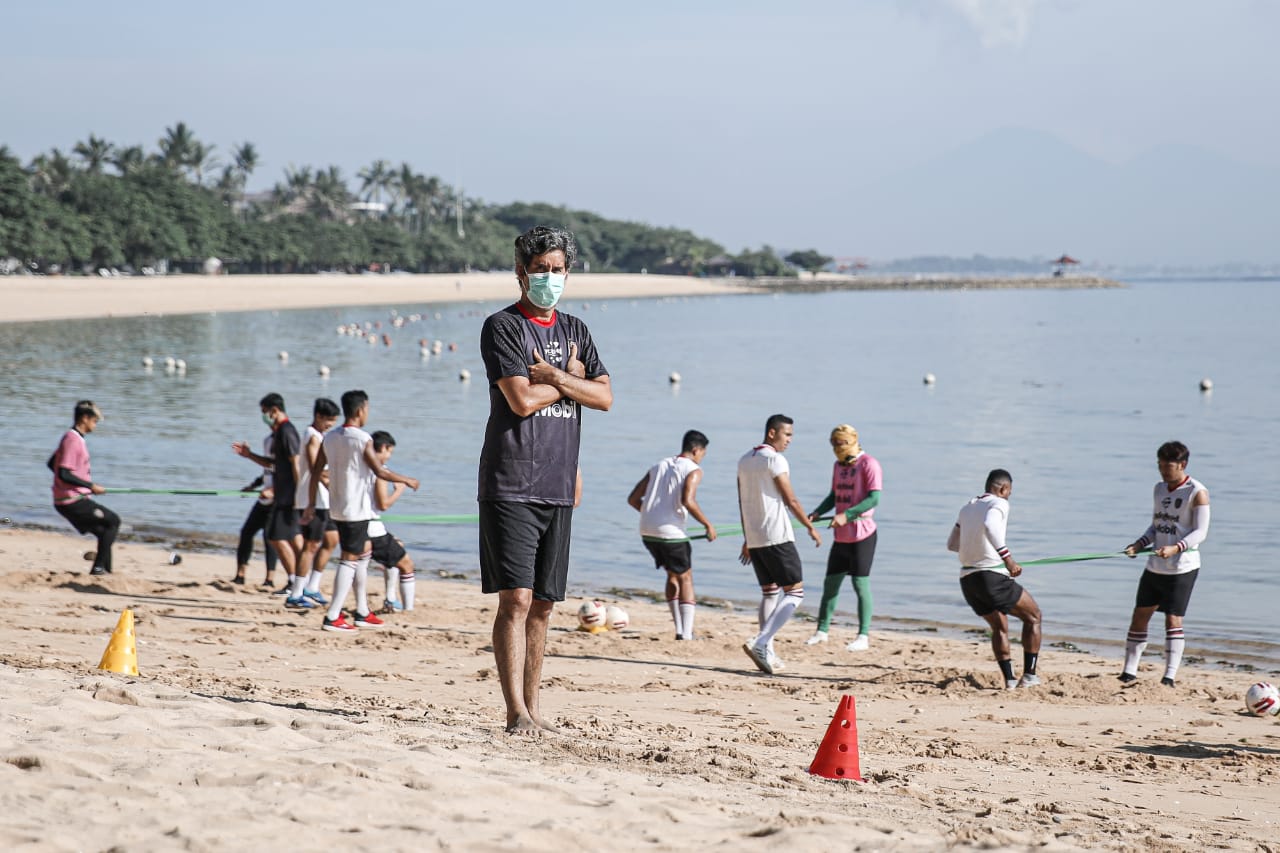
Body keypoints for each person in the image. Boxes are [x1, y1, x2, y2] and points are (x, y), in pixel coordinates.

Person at [477, 225, 612, 735]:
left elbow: (606, 398)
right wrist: (570, 382)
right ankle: (515, 714)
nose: (549, 278)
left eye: (557, 271)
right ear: (520, 271)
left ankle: (535, 710)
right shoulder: (503, 327)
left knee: (545, 603)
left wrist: (554, 377)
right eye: (540, 270)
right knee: (515, 597)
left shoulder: (576, 330)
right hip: (510, 478)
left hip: (559, 481)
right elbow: (520, 400)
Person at [303, 389, 418, 632]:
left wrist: (311, 503)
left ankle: (363, 611)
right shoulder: (362, 438)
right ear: (360, 410)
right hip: (356, 510)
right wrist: (407, 480)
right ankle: (333, 615)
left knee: (361, 556)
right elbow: (380, 471)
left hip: (337, 507)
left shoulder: (330, 437)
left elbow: (315, 473)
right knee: (349, 560)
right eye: (367, 408)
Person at [1119, 441, 1210, 687]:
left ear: (1182, 465)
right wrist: (1138, 544)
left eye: (1168, 466)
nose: (1163, 471)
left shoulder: (1197, 492)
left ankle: (1168, 676)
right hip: (1155, 566)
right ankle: (1129, 672)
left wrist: (1175, 547)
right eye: (1159, 465)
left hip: (1182, 567)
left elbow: (1201, 532)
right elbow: (1156, 526)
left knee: (1173, 620)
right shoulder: (1159, 489)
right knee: (1140, 615)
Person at [737, 414, 821, 675]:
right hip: (777, 535)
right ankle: (761, 642)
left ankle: (767, 651)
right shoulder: (775, 459)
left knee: (770, 592)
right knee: (795, 593)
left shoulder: (744, 460)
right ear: (772, 433)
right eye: (787, 435)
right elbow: (791, 499)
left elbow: (742, 502)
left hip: (756, 537)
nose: (790, 440)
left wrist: (746, 538)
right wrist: (810, 527)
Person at [947, 469, 1042, 689]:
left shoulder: (967, 507)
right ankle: (1029, 676)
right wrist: (1007, 560)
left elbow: (952, 545)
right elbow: (990, 525)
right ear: (1002, 489)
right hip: (992, 577)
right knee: (1034, 616)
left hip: (968, 580)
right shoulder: (999, 503)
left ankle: (1009, 680)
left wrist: (975, 550)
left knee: (1000, 627)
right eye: (1009, 492)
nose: (1009, 496)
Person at [626, 430, 715, 641]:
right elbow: (688, 500)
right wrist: (707, 524)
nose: (702, 457)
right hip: (671, 534)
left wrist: (654, 516)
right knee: (686, 577)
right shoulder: (694, 469)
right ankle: (686, 634)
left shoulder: (659, 465)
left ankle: (679, 629)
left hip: (648, 531)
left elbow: (633, 499)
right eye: (703, 453)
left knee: (672, 574)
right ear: (696, 450)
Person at [806, 425, 882, 651]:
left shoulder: (869, 464)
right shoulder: (838, 466)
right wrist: (818, 512)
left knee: (860, 583)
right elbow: (834, 495)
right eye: (834, 444)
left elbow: (874, 498)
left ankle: (863, 636)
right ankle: (821, 631)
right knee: (830, 584)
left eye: (841, 443)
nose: (837, 448)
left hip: (862, 533)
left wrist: (847, 514)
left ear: (852, 441)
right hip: (841, 536)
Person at [231, 393, 305, 603]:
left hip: (288, 497)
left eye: (264, 412)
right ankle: (299, 582)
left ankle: (298, 582)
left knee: (282, 538)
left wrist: (299, 495)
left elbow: (295, 465)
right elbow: (274, 465)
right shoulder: (277, 433)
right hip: (282, 495)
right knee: (283, 538)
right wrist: (250, 455)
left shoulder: (287, 432)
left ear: (274, 410)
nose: (263, 416)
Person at [48, 400, 121, 576]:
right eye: (94, 421)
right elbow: (64, 473)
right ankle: (97, 568)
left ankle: (106, 570)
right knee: (113, 521)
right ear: (84, 418)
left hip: (67, 498)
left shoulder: (71, 438)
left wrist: (76, 486)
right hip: (71, 501)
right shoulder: (73, 440)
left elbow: (52, 464)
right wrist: (90, 486)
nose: (95, 425)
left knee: (104, 531)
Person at [292, 397, 341, 606]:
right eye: (328, 420)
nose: (331, 425)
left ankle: (312, 587)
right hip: (313, 499)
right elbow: (316, 470)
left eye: (334, 421)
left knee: (331, 540)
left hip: (324, 501)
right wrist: (334, 485)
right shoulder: (312, 436)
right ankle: (295, 593)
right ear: (318, 416)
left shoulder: (320, 436)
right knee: (311, 545)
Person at [367, 430, 417, 613]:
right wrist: (399, 490)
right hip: (372, 528)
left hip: (357, 524)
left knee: (397, 546)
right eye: (389, 452)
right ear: (383, 448)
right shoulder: (381, 472)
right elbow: (383, 504)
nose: (389, 457)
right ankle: (408, 609)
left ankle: (390, 598)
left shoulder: (362, 466)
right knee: (407, 564)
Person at [231, 433, 279, 587]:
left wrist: (273, 490)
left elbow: (289, 478)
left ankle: (269, 579)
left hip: (276, 502)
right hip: (263, 501)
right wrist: (252, 486)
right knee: (246, 532)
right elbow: (266, 474)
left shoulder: (285, 454)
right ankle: (240, 575)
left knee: (269, 537)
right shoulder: (268, 449)